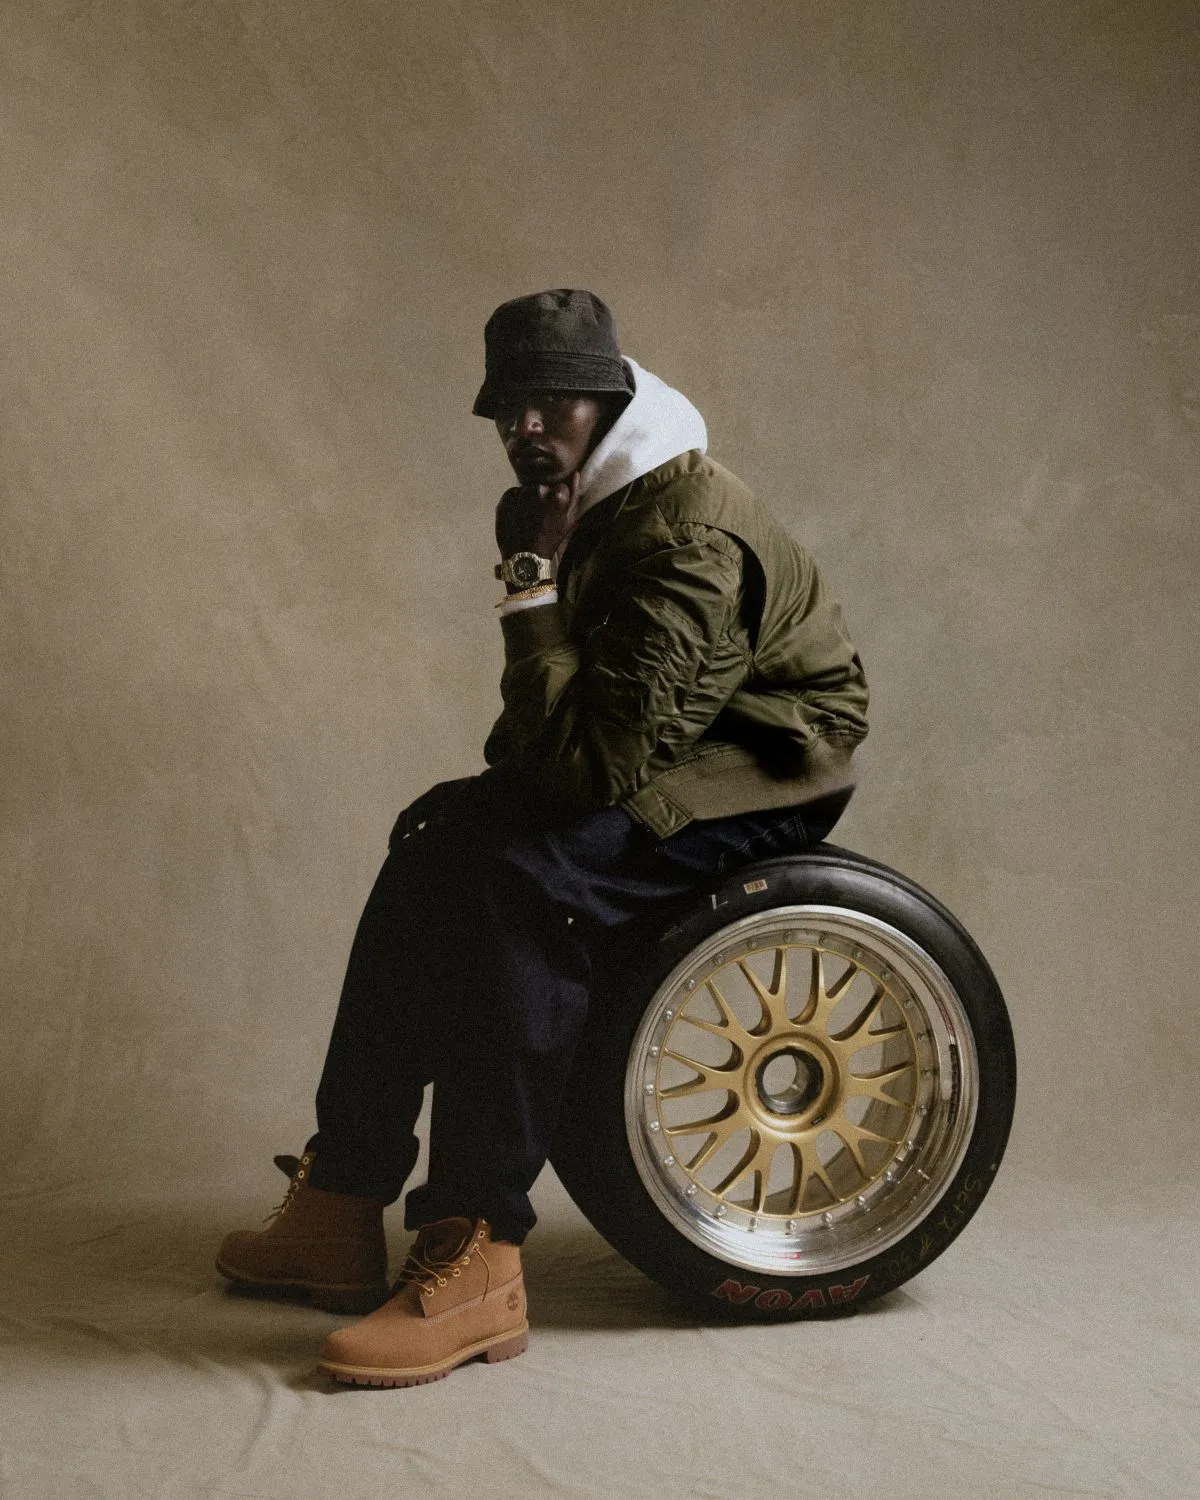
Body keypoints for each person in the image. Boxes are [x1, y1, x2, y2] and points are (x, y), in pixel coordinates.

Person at [215, 289, 869, 1387]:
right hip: (656, 739)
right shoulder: (586, 500)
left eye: (553, 400)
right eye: (508, 405)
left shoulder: (688, 531)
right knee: (438, 841)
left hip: (765, 757)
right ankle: (343, 1196)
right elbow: (574, 736)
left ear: (608, 401)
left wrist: (530, 584)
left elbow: (591, 769)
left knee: (525, 883)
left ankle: (478, 1250)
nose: (525, 425)